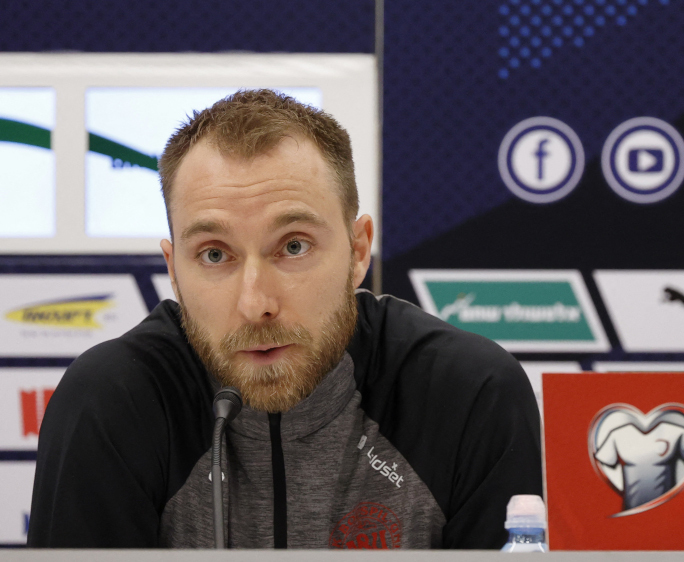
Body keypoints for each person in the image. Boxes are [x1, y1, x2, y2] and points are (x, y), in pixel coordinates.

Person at [27, 89, 543, 549]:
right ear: (174, 270)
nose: (256, 304)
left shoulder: (467, 394)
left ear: (358, 251)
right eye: (214, 254)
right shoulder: (112, 403)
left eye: (293, 246)